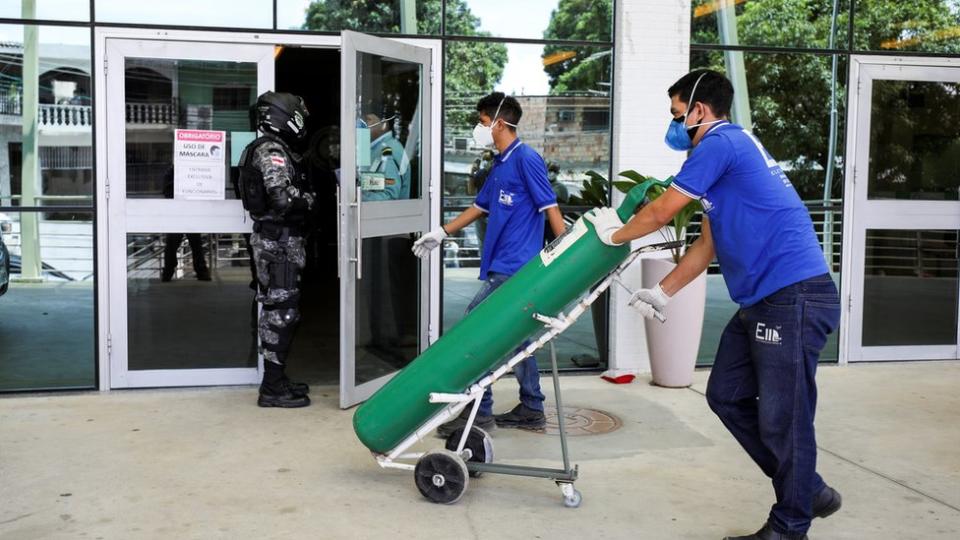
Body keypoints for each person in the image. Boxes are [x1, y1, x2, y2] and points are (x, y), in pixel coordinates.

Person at [585, 70, 841, 540]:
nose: (674, 123)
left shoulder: (720, 143)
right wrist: (664, 291)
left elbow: (662, 210)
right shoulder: (728, 155)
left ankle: (791, 524)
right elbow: (708, 245)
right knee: (725, 395)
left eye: (677, 113)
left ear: (700, 110)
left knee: (785, 416)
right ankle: (809, 489)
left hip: (793, 295)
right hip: (764, 299)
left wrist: (610, 238)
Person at [412, 92, 566, 435]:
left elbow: (550, 207)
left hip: (517, 268)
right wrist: (441, 231)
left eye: (482, 122)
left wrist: (563, 260)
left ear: (498, 122)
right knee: (518, 338)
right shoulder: (499, 163)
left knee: (477, 333)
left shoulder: (526, 159)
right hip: (502, 265)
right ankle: (531, 407)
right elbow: (480, 207)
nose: (478, 129)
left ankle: (478, 413)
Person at [238, 91, 316, 408]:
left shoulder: (263, 147)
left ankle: (277, 379)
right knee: (281, 313)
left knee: (281, 309)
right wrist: (310, 199)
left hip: (277, 242)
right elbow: (282, 199)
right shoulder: (271, 150)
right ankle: (271, 387)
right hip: (278, 245)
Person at [360, 112, 411, 201]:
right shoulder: (374, 148)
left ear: (384, 124)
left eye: (368, 120)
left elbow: (390, 196)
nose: (362, 124)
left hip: (388, 213)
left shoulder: (387, 150)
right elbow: (375, 181)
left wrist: (358, 198)